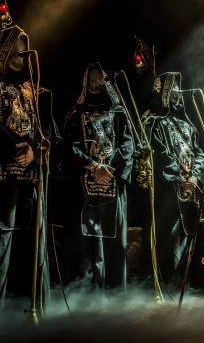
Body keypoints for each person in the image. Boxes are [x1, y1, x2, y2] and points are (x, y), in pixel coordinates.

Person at [63, 62, 134, 292]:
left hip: (112, 185)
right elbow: (69, 146)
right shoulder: (76, 114)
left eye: (99, 79)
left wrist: (109, 170)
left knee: (114, 241)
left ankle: (115, 294)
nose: (95, 83)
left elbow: (127, 146)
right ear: (85, 82)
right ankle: (86, 293)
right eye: (91, 79)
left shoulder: (119, 113)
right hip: (84, 188)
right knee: (87, 241)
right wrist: (93, 166)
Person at [0, 25, 51, 310]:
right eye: (17, 54)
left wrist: (34, 150)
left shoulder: (33, 91)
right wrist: (14, 148)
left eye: (24, 54)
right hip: (3, 178)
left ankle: (35, 310)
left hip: (30, 178)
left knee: (33, 242)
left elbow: (46, 132)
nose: (22, 58)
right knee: (2, 244)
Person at [141, 72, 204, 291]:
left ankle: (187, 287)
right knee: (169, 240)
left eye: (178, 89)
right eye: (173, 89)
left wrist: (194, 176)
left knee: (190, 237)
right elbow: (159, 155)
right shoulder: (153, 121)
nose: (178, 93)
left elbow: (199, 153)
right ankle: (167, 288)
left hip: (191, 188)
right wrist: (180, 178)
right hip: (167, 193)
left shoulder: (188, 124)